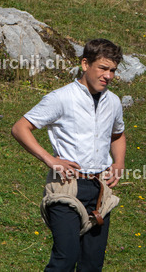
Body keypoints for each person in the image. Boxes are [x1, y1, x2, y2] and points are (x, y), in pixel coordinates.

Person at [11, 39, 126, 272]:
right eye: (103, 68)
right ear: (85, 64)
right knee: (65, 258)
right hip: (65, 188)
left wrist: (119, 163)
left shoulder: (113, 102)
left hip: (99, 191)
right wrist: (50, 159)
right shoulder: (61, 97)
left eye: (112, 70)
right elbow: (20, 128)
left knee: (92, 265)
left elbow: (118, 135)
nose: (108, 76)